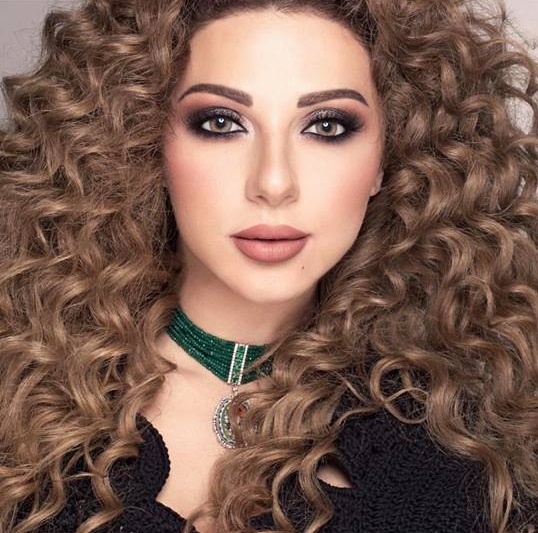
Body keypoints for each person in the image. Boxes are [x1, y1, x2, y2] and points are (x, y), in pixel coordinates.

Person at [1, 0, 537, 532]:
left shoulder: (466, 446)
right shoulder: (17, 395)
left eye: (327, 126)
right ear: (145, 139)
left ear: (386, 158)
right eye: (221, 123)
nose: (274, 183)